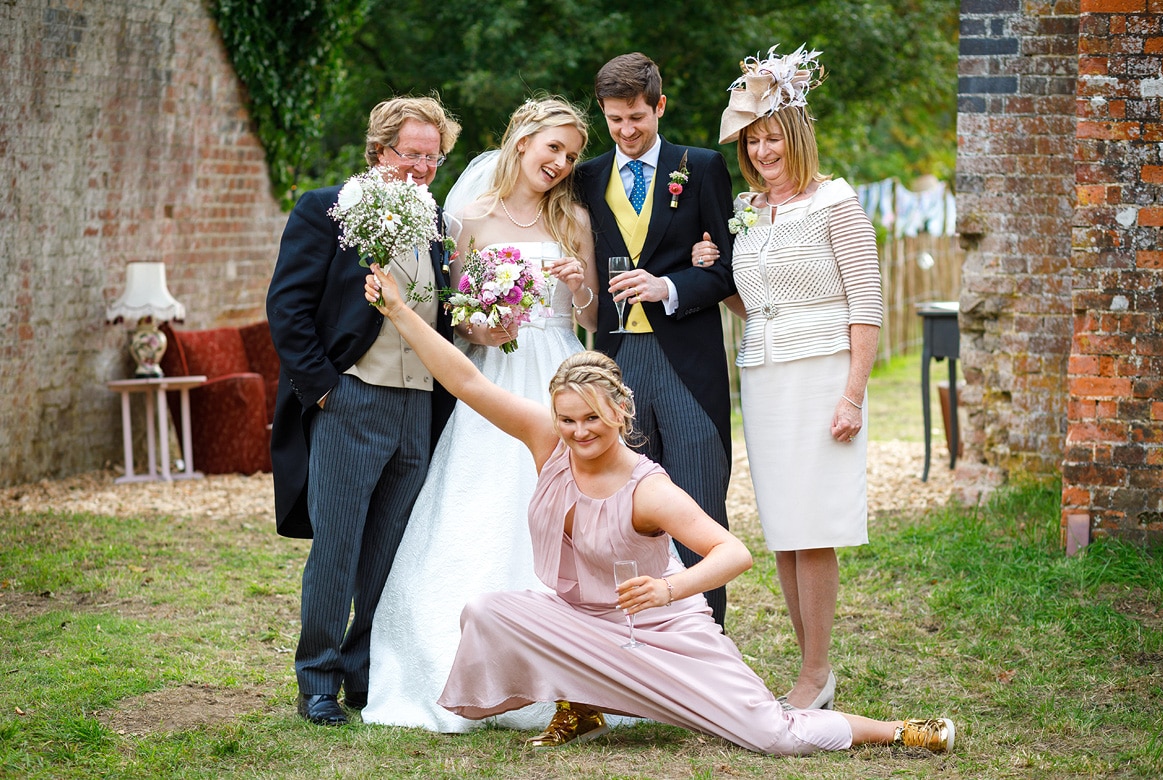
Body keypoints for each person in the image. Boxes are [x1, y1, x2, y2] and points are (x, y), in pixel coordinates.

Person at [360, 264, 955, 756]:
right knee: (487, 609)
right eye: (568, 420)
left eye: (592, 418)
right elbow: (466, 380)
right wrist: (397, 309)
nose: (578, 432)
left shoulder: (647, 488)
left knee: (771, 734)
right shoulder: (548, 441)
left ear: (620, 411)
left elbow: (734, 552)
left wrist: (670, 591)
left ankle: (904, 731)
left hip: (660, 632)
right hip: (580, 622)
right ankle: (582, 702)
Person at [362, 97, 600, 732]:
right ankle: (448, 663)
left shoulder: (573, 217)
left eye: (571, 156)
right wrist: (485, 324)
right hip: (492, 376)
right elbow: (457, 318)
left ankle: (565, 675)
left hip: (558, 374)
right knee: (478, 501)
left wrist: (578, 286)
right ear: (522, 140)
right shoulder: (465, 217)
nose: (560, 162)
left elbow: (594, 319)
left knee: (561, 512)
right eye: (553, 147)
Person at [691, 44, 883, 711]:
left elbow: (867, 304)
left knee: (814, 524)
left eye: (773, 138)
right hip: (764, 375)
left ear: (795, 136)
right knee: (782, 528)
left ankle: (815, 670)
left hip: (825, 370)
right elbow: (751, 298)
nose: (763, 151)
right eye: (753, 141)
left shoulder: (836, 202)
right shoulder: (747, 210)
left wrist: (853, 395)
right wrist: (715, 268)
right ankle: (813, 674)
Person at [266, 95, 461, 726]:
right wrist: (325, 388)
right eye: (412, 154)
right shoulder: (325, 208)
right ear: (379, 150)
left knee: (391, 551)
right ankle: (317, 679)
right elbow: (287, 308)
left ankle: (364, 672)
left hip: (420, 409)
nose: (423, 169)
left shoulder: (436, 225)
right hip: (352, 399)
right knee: (339, 546)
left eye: (433, 158)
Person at [575, 52, 737, 629]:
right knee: (623, 514)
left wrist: (669, 283)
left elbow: (727, 271)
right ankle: (633, 653)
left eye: (637, 117)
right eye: (616, 120)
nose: (627, 130)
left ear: (659, 106)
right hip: (616, 364)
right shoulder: (586, 179)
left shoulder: (703, 167)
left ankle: (709, 648)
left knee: (697, 505)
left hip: (688, 364)